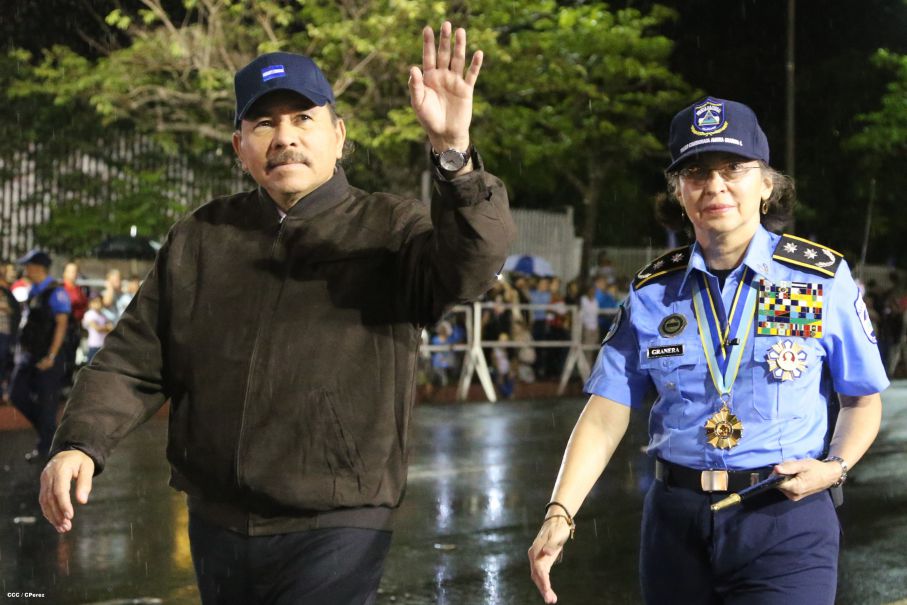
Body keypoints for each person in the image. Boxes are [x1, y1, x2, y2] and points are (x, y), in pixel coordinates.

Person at [40, 22, 513, 605]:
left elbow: (472, 263)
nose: (284, 137)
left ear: (339, 136)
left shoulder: (392, 226)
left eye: (303, 119)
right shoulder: (201, 237)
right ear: (240, 148)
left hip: (340, 518)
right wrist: (78, 443)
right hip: (218, 520)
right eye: (264, 122)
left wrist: (453, 156)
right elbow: (134, 357)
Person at [528, 97, 887, 604]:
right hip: (673, 524)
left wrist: (836, 467)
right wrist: (559, 512)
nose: (715, 185)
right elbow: (607, 408)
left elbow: (861, 399)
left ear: (766, 184)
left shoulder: (818, 278)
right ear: (678, 192)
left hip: (785, 516)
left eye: (733, 168)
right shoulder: (653, 290)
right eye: (696, 172)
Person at [9, 249, 71, 461]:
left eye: (28, 266)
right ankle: (51, 433)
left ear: (37, 267)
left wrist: (51, 356)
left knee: (47, 403)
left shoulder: (56, 291)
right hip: (30, 355)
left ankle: (47, 447)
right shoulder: (33, 290)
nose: (26, 269)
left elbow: (61, 325)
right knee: (16, 393)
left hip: (48, 357)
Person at [81, 294, 111, 363]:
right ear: (90, 304)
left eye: (99, 301)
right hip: (93, 346)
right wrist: (106, 328)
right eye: (95, 302)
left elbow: (110, 328)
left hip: (103, 346)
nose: (98, 304)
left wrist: (105, 328)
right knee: (92, 365)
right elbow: (97, 328)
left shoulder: (104, 315)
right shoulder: (89, 314)